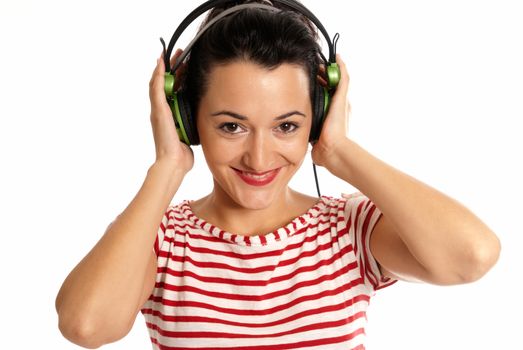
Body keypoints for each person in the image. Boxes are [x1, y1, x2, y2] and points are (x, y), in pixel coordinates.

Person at [55, 1, 501, 349]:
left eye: (287, 126)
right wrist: (167, 167)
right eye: (231, 126)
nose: (259, 157)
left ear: (319, 116)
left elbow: (472, 257)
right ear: (187, 118)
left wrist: (340, 151)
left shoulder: (348, 229)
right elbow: (85, 326)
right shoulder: (160, 240)